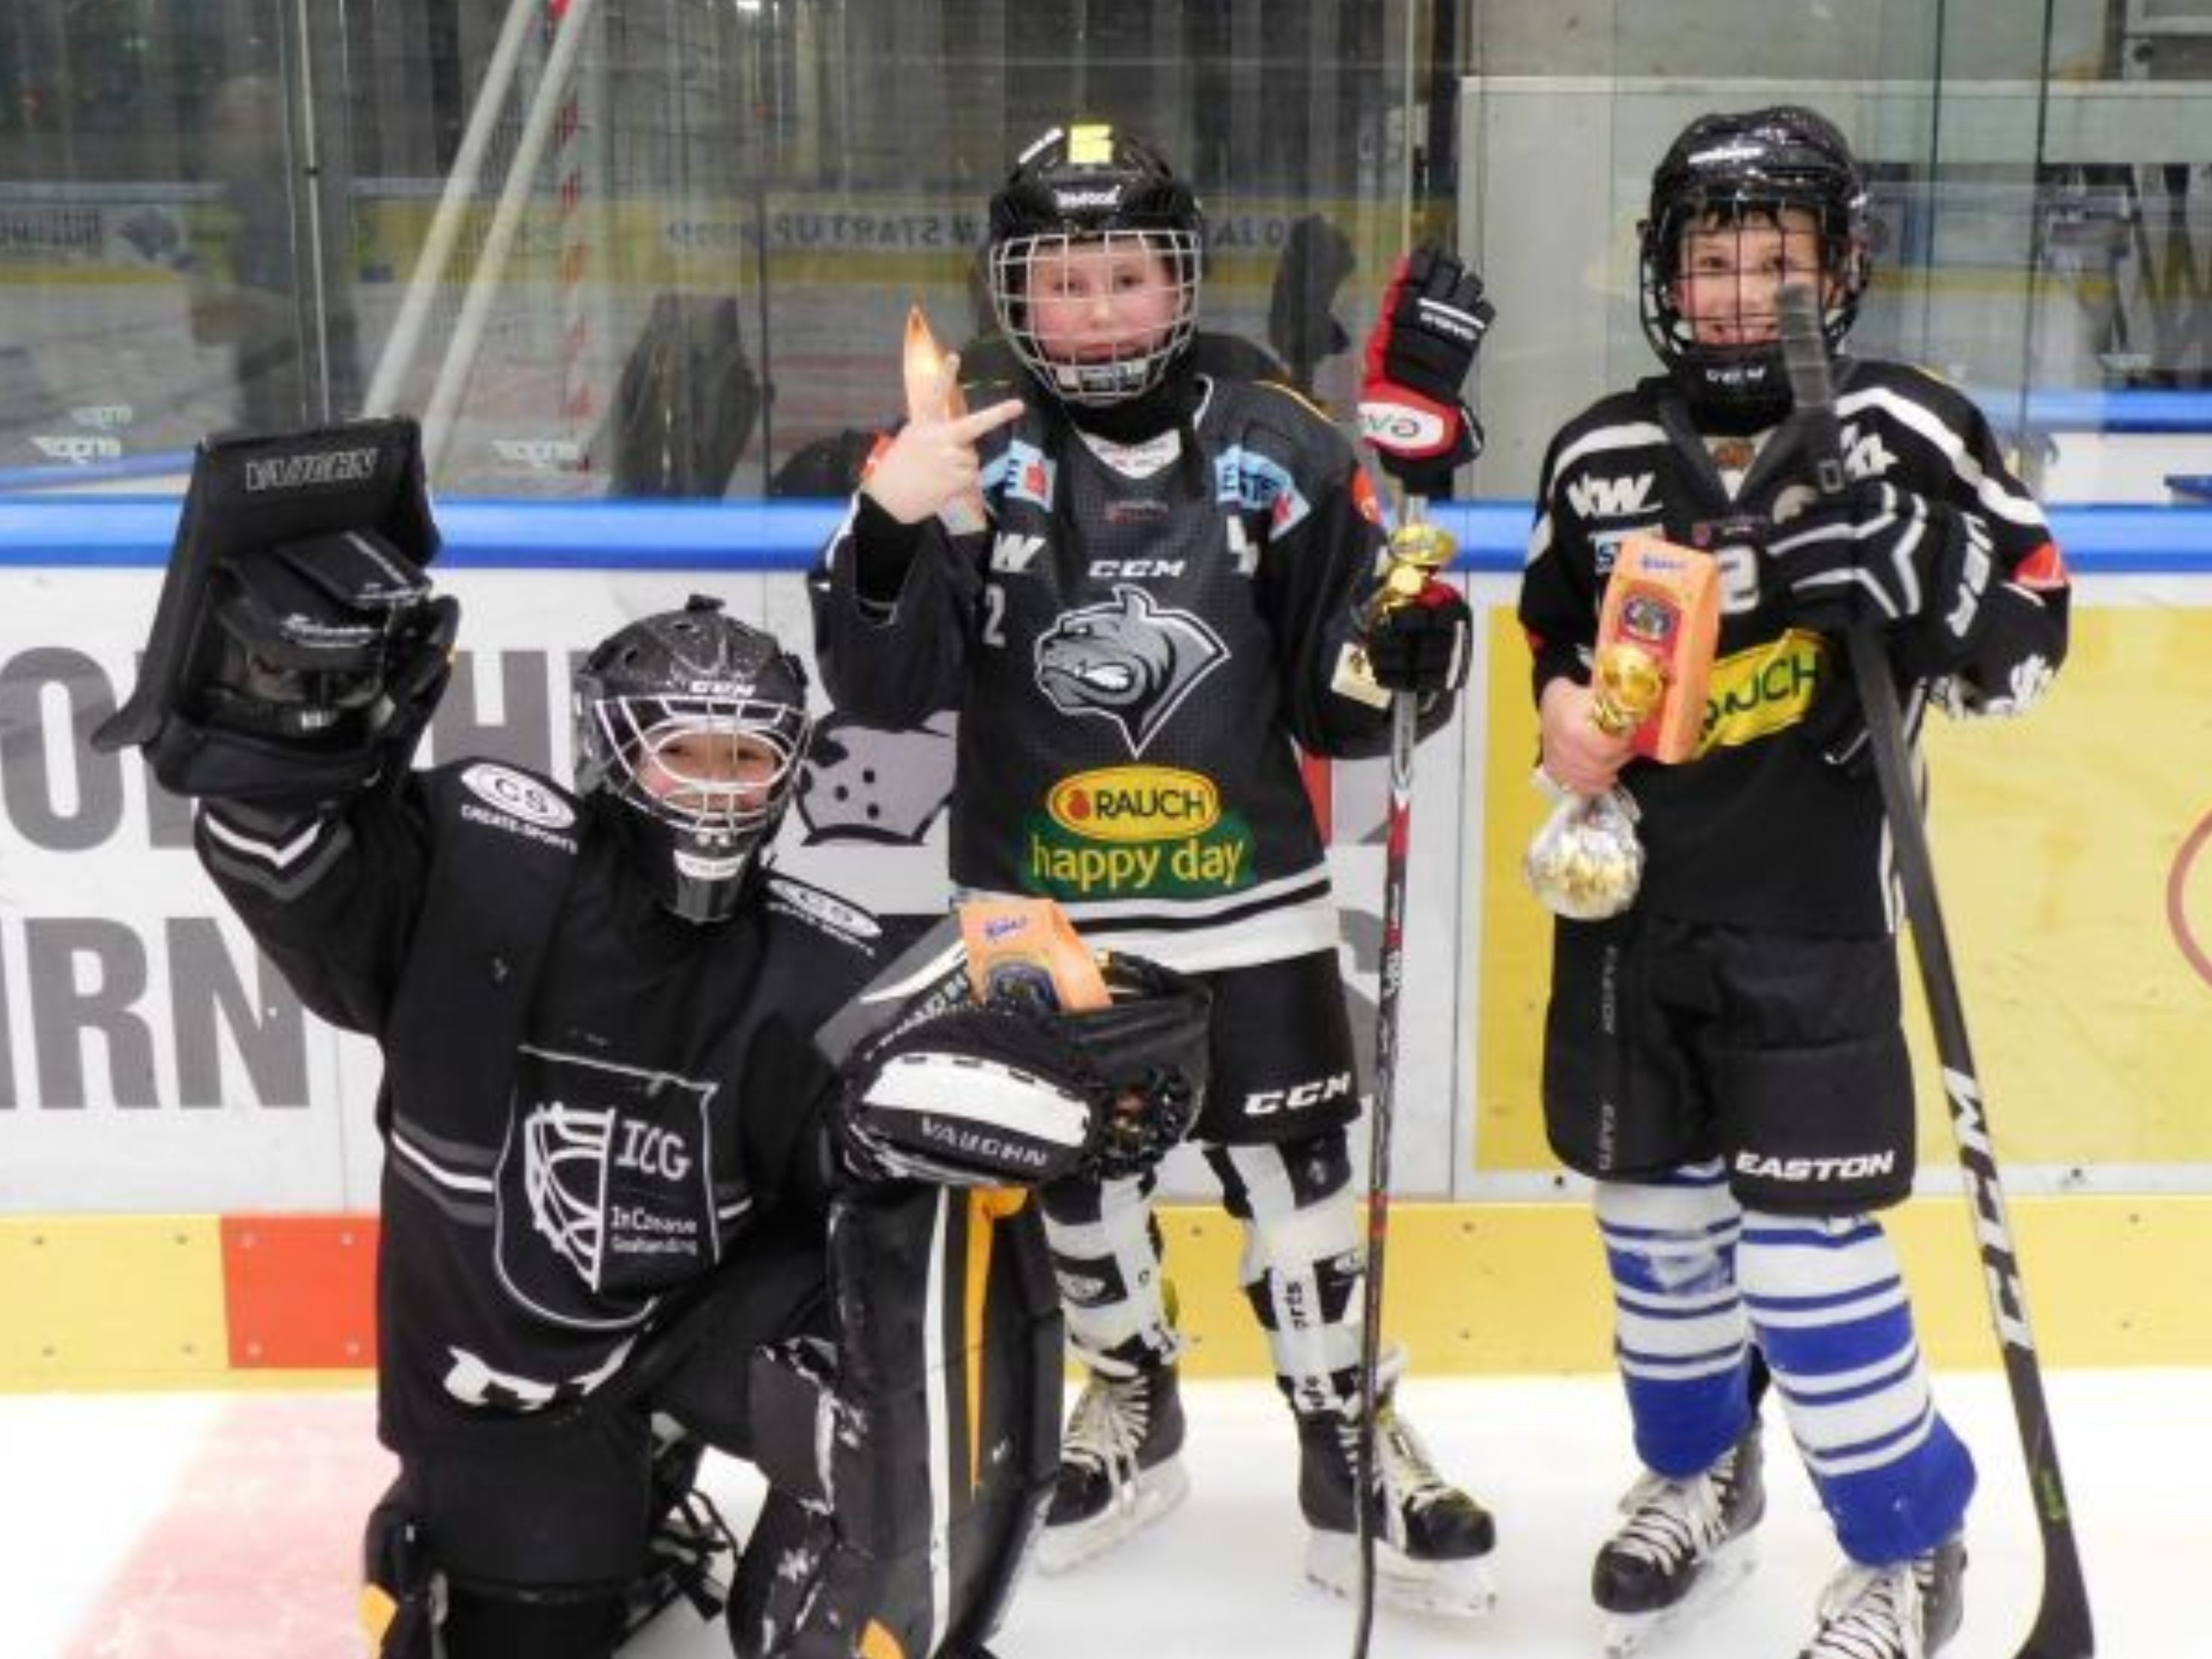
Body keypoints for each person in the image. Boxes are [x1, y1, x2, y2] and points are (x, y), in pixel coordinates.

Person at [102, 426, 1212, 1659]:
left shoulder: (824, 951)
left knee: (929, 1231)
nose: (720, 787)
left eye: (750, 755)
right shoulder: (486, 851)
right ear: (610, 749)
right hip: (507, 1385)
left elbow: (1043, 1039)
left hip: (693, 1327)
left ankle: (869, 1623)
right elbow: (286, 856)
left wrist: (1103, 1072)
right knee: (506, 1632)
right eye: (689, 750)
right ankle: (548, 1526)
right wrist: (285, 710)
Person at [807, 118, 1498, 1614]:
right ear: (1014, 296)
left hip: (1246, 899)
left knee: (1301, 1182)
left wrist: (1406, 655)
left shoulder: (1280, 445)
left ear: (1178, 282)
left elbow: (1341, 694)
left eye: (1127, 275)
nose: (1100, 312)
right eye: (1065, 283)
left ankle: (1342, 1435)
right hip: (1035, 905)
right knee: (1073, 1178)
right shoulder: (968, 454)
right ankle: (1132, 1403)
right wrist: (882, 518)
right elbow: (878, 693)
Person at [1516, 106, 2071, 1659]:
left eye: (1778, 258)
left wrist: (1910, 557)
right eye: (1712, 260)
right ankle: (1699, 1473)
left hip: (1809, 923)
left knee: (1799, 1252)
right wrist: (1564, 710)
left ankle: (1908, 1542)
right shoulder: (1602, 449)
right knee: (1653, 1232)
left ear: (1838, 269)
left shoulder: (1902, 428)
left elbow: (2031, 631)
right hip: (1628, 923)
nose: (1743, 291)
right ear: (1661, 276)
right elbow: (1557, 636)